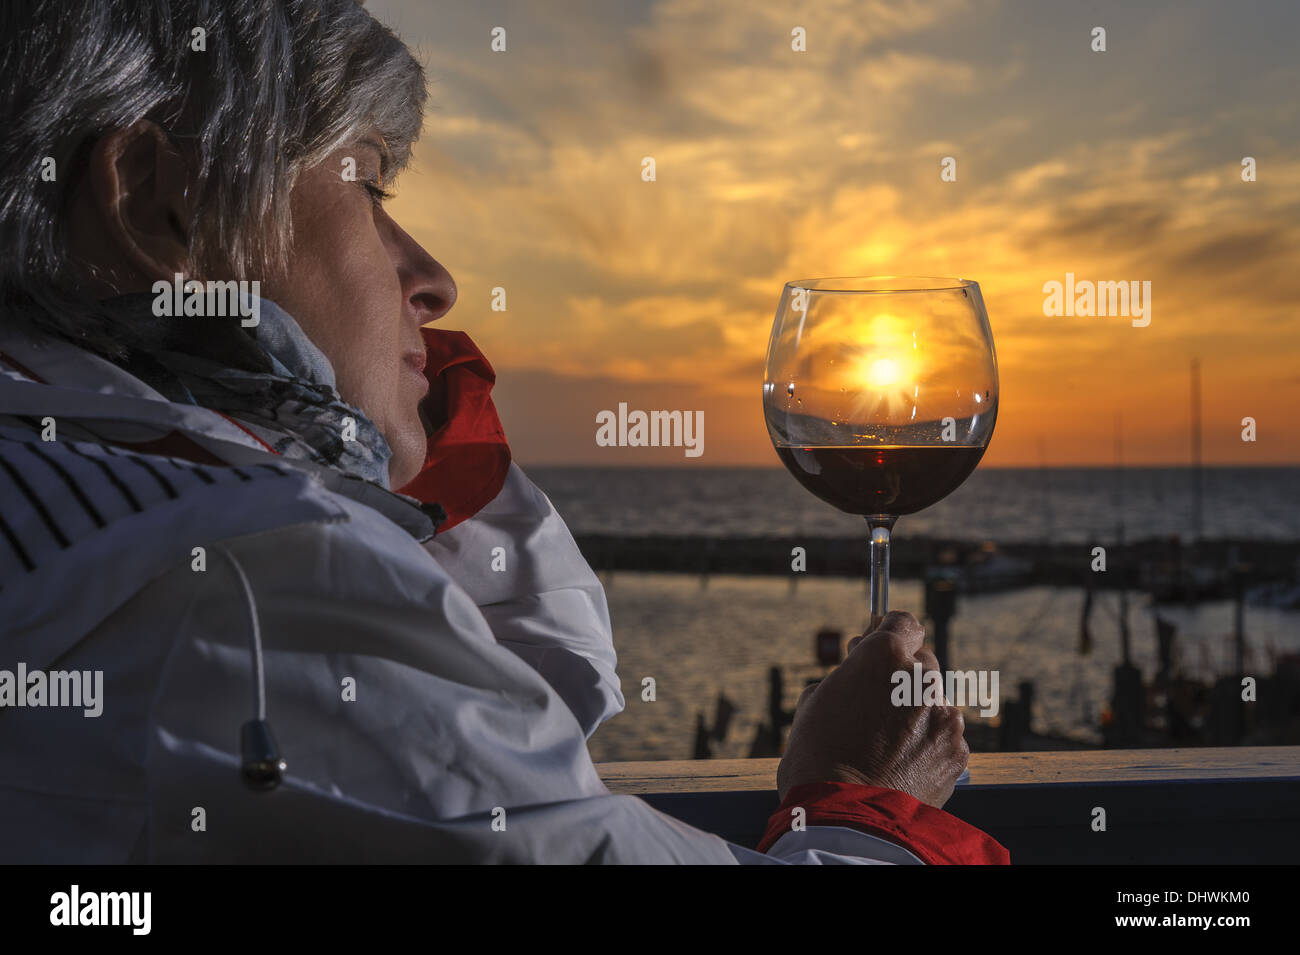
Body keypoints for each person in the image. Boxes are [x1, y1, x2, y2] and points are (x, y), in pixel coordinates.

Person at [0, 0, 1007, 864]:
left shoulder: (82, 506)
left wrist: (355, 446)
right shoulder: (239, 593)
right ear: (148, 200)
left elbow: (489, 772)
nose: (433, 279)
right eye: (369, 185)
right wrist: (867, 799)